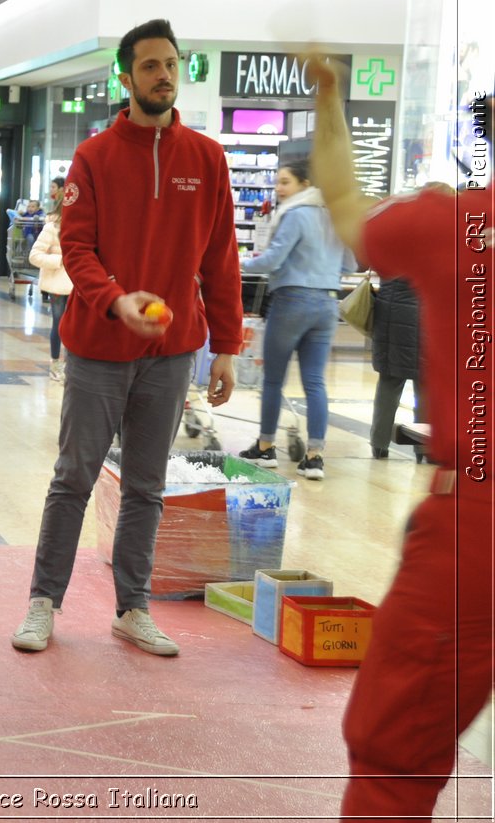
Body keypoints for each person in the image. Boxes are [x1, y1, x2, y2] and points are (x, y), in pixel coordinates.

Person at [10, 19, 241, 658]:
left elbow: (221, 257)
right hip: (97, 349)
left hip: (173, 353)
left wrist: (226, 345)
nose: (163, 75)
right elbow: (77, 250)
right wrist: (116, 300)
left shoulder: (207, 157)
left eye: (171, 64)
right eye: (150, 66)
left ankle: (132, 607)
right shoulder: (95, 157)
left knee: (146, 484)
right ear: (126, 75)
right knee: (74, 477)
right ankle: (42, 602)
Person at [306, 58, 493, 820]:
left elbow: (345, 203)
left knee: (396, 750)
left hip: (476, 524)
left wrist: (327, 97)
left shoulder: (458, 221)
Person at [236, 158, 346, 479]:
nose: (278, 188)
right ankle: (314, 457)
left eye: (285, 182)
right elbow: (351, 263)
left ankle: (266, 447)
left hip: (292, 301)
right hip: (327, 304)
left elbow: (273, 260)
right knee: (315, 381)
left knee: (273, 379)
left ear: (305, 185)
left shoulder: (296, 214)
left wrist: (236, 261)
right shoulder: (335, 216)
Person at [369, 276, 425, 460]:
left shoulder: (390, 246)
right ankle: (425, 448)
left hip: (390, 312)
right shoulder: (438, 246)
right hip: (427, 313)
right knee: (426, 384)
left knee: (389, 380)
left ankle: (379, 444)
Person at [29, 176, 71, 382]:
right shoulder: (51, 228)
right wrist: (61, 260)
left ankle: (72, 364)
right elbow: (34, 255)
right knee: (59, 323)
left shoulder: (87, 228)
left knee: (76, 326)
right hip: (58, 284)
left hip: (80, 285)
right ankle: (56, 363)